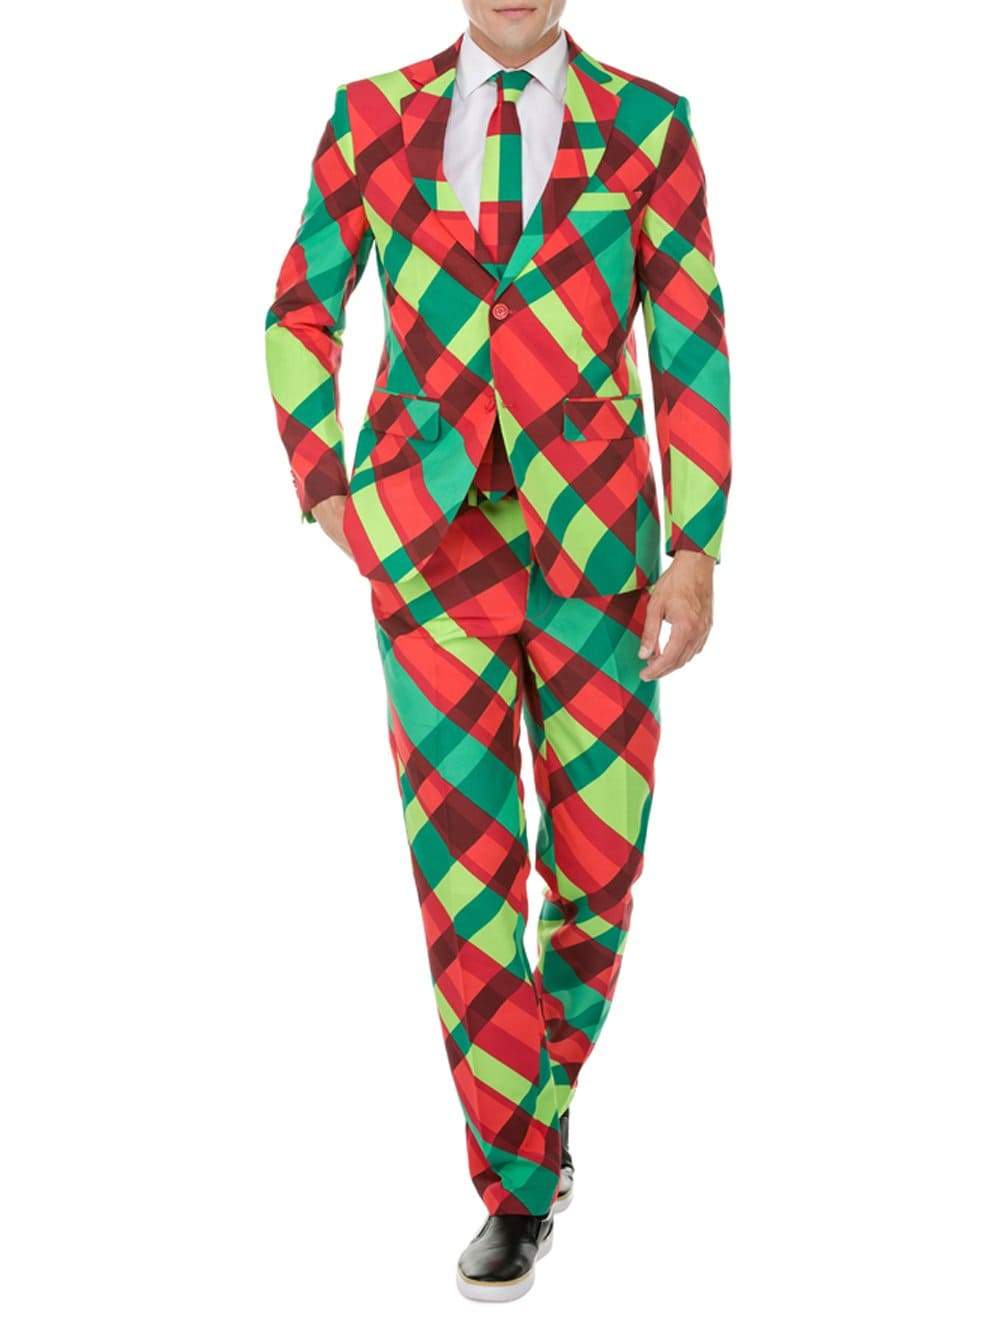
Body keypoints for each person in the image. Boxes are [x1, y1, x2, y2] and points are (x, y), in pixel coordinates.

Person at [265, 0, 730, 1301]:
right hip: (428, 551)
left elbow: (688, 338)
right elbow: (299, 313)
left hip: (602, 555)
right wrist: (328, 490)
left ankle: (535, 1102)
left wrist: (696, 540)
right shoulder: (371, 117)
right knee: (465, 881)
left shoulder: (649, 128)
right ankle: (518, 1185)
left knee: (599, 863)